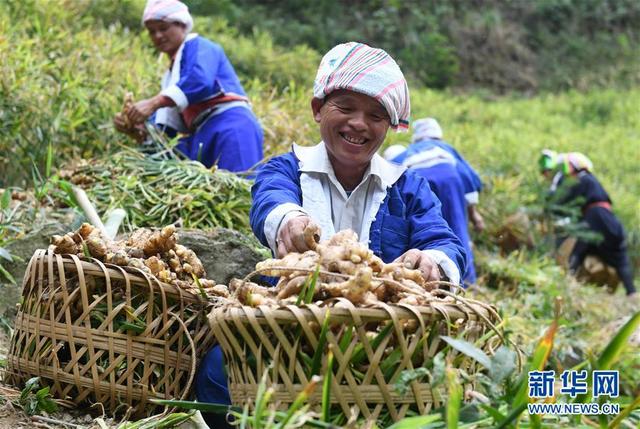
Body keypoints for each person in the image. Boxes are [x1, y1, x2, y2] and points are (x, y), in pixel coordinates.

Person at [195, 42, 467, 426]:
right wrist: (289, 220)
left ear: (389, 127)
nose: (359, 123)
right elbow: (270, 201)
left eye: (376, 115)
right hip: (287, 333)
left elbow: (444, 241)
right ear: (318, 109)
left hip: (376, 347)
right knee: (221, 368)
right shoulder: (286, 169)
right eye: (345, 107)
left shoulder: (408, 187)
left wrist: (434, 262)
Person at [113, 0, 263, 172]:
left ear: (183, 26)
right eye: (152, 32)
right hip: (202, 134)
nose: (158, 36)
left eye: (163, 28)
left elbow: (199, 80)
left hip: (230, 125)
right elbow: (163, 135)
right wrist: (137, 129)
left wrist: (153, 103)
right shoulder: (171, 78)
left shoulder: (201, 46)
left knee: (240, 183)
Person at [383, 117, 484, 284]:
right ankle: (465, 280)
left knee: (424, 229)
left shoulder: (407, 151)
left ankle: (423, 276)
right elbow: (469, 177)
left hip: (419, 183)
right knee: (456, 230)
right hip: (450, 182)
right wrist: (473, 214)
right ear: (438, 135)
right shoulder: (446, 148)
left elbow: (388, 173)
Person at [538, 149, 636, 296]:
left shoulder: (582, 179)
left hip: (595, 216)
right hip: (609, 219)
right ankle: (632, 292)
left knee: (579, 251)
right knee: (619, 258)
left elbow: (562, 200)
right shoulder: (590, 181)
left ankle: (566, 283)